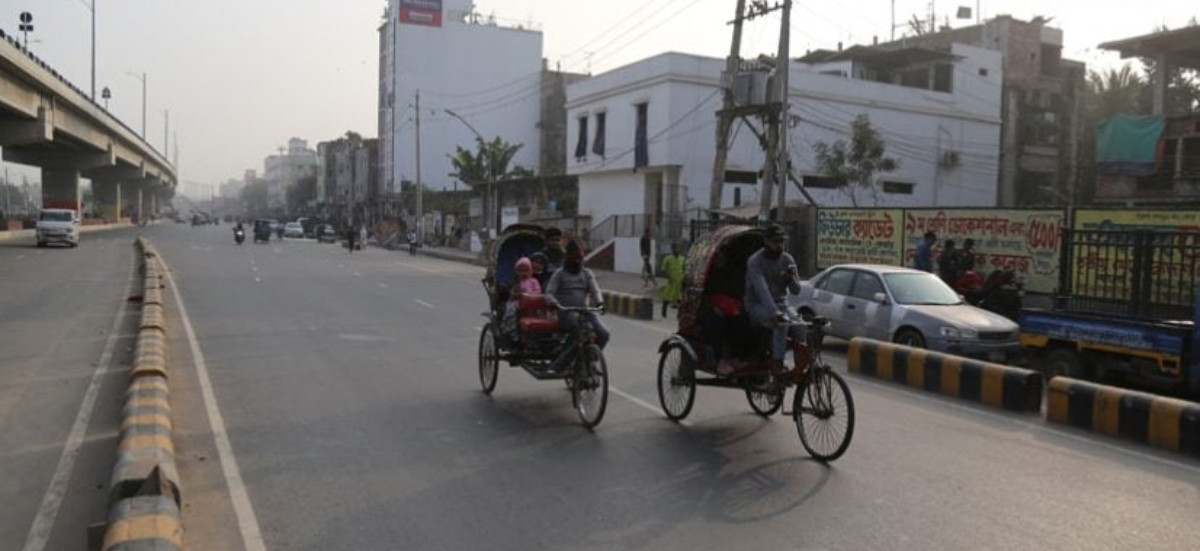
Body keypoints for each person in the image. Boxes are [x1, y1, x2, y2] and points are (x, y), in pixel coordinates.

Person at [745, 224, 807, 370]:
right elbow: (762, 290)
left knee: (801, 325)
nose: (779, 245)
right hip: (757, 305)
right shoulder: (755, 262)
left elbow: (796, 290)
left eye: (782, 241)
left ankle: (801, 366)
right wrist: (774, 313)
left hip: (782, 304)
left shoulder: (787, 259)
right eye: (776, 242)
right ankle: (777, 363)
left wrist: (790, 279)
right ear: (766, 241)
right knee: (781, 325)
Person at [545, 241, 609, 357]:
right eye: (574, 259)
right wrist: (554, 303)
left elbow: (595, 290)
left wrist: (600, 303)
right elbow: (549, 293)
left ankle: (590, 359)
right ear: (567, 259)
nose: (577, 262)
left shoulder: (587, 273)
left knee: (604, 333)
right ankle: (564, 360)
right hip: (566, 313)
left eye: (580, 259)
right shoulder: (559, 274)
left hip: (584, 312)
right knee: (578, 329)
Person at [502, 257, 543, 341]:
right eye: (521, 271)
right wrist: (517, 294)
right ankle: (511, 331)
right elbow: (512, 294)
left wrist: (529, 295)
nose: (524, 273)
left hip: (532, 303)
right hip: (517, 302)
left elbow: (538, 292)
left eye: (526, 270)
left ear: (531, 271)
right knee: (511, 310)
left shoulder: (534, 281)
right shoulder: (516, 282)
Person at [659, 242, 685, 319]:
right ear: (672, 249)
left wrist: (684, 277)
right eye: (674, 248)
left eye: (677, 248)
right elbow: (663, 269)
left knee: (679, 299)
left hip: (679, 281)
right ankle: (664, 311)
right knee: (667, 297)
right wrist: (668, 276)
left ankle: (679, 315)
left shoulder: (682, 259)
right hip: (671, 281)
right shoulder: (667, 259)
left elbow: (684, 269)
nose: (676, 250)